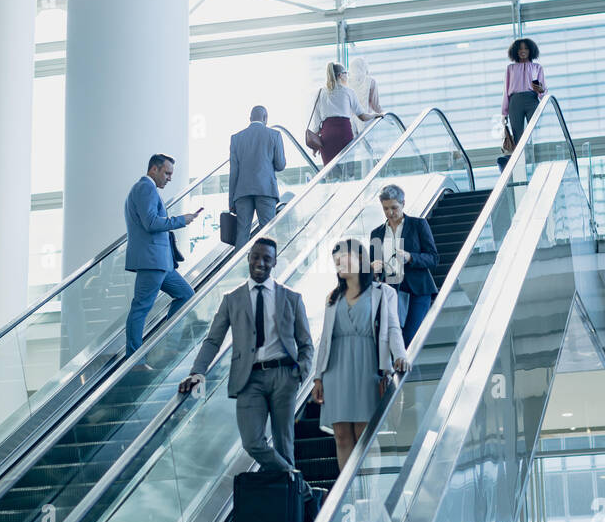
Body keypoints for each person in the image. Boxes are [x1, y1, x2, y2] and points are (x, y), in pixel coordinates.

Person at [178, 237, 314, 477]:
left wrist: (300, 372)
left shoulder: (291, 298)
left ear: (274, 262)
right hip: (248, 379)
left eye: (267, 259)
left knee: (284, 445)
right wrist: (197, 371)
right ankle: (301, 488)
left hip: (284, 376)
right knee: (252, 442)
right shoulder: (232, 299)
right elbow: (213, 340)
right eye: (256, 257)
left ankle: (289, 508)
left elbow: (306, 343)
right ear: (248, 258)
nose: (260, 263)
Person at [311, 238, 408, 472]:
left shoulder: (383, 293)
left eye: (343, 258)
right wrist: (318, 378)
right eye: (335, 261)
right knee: (342, 435)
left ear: (361, 259)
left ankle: (369, 491)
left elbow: (393, 326)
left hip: (368, 366)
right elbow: (325, 339)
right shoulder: (332, 297)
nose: (338, 264)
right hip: (336, 369)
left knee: (365, 434)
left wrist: (400, 355)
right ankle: (349, 493)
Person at [124, 154, 202, 358]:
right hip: (152, 260)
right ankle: (133, 357)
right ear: (153, 170)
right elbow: (150, 223)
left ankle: (168, 343)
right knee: (141, 307)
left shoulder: (147, 190)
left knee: (186, 294)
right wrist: (180, 220)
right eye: (167, 173)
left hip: (161, 262)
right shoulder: (145, 188)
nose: (169, 178)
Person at [369, 183, 439, 346]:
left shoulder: (418, 225)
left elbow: (433, 258)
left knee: (409, 339)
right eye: (385, 208)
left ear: (403, 204)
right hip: (391, 292)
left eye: (394, 207)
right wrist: (373, 268)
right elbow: (373, 274)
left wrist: (410, 257)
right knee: (394, 340)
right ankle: (403, 371)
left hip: (418, 291)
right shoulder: (376, 233)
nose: (390, 213)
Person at [229, 105, 286, 243]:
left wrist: (231, 200)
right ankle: (268, 264)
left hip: (242, 192)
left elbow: (233, 172)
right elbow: (280, 165)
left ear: (250, 118)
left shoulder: (236, 138)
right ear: (265, 118)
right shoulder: (274, 135)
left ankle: (236, 264)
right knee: (268, 233)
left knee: (242, 234)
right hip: (266, 190)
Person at [310, 61, 380, 166]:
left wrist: (315, 146)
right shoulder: (348, 92)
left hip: (327, 136)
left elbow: (316, 122)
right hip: (344, 133)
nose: (347, 76)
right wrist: (375, 115)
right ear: (340, 75)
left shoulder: (320, 93)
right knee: (347, 171)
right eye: (346, 73)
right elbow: (362, 116)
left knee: (331, 172)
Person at [501, 36, 546, 151]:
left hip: (532, 100)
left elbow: (543, 90)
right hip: (515, 102)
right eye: (520, 49)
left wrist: (541, 90)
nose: (523, 51)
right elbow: (506, 90)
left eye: (526, 48)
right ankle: (520, 160)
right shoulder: (510, 68)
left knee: (533, 132)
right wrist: (504, 112)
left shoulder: (537, 67)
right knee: (518, 135)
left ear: (531, 50)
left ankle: (533, 154)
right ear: (515, 51)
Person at [347, 55, 383, 137]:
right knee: (367, 146)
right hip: (366, 120)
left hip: (351, 122)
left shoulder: (347, 82)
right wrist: (385, 115)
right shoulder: (370, 81)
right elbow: (375, 106)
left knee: (353, 147)